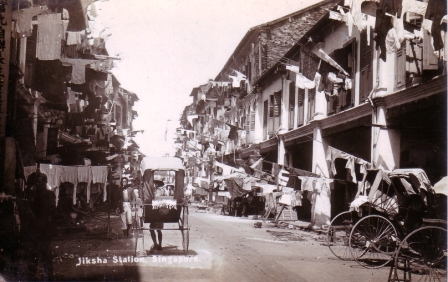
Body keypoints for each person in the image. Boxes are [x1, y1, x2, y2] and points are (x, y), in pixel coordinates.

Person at [150, 182, 166, 251]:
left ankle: (156, 244)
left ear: (158, 185)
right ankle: (158, 244)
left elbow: (155, 199)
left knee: (152, 229)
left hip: (157, 211)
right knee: (158, 230)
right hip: (160, 211)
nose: (155, 185)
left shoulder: (159, 191)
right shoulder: (161, 190)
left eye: (156, 184)